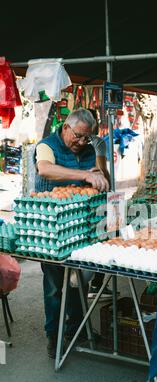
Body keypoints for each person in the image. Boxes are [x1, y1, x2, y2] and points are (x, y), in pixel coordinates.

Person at [35, 108, 109, 358]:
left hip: (81, 227)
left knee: (79, 281)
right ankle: (54, 337)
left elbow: (103, 179)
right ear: (66, 127)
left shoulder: (89, 150)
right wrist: (83, 175)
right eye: (77, 136)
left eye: (85, 138)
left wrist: (99, 163)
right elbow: (45, 169)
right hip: (52, 229)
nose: (80, 142)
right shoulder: (47, 146)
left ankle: (78, 329)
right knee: (55, 285)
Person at [87, 108, 114, 299]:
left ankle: (83, 283)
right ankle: (96, 283)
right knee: (101, 237)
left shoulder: (73, 143)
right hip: (97, 195)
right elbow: (101, 169)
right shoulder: (97, 142)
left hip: (81, 194)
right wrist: (110, 188)